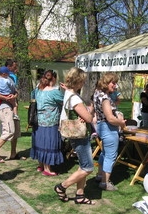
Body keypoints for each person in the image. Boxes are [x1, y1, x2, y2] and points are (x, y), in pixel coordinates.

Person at [54, 67, 95, 205]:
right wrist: (89, 112)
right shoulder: (75, 98)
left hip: (75, 134)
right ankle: (62, 186)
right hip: (80, 136)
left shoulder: (68, 93)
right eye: (82, 81)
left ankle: (80, 195)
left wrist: (83, 114)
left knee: (82, 166)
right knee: (88, 168)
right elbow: (89, 118)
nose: (83, 83)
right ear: (78, 81)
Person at [93, 73, 126, 191]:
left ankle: (100, 175)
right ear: (106, 82)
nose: (115, 85)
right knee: (110, 156)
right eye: (113, 82)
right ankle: (105, 183)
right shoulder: (105, 98)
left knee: (104, 153)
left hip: (102, 127)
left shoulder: (97, 93)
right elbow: (110, 118)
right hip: (108, 128)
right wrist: (121, 123)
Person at [30, 70, 64, 176]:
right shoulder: (54, 92)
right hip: (50, 122)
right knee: (49, 144)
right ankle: (47, 169)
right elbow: (65, 101)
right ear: (53, 79)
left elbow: (32, 98)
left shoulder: (37, 90)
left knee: (40, 143)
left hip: (38, 121)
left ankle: (41, 165)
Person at [0, 62, 24, 163]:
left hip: (13, 106)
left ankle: (13, 153)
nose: (15, 68)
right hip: (5, 107)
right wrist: (5, 98)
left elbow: (16, 91)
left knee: (16, 132)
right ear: (7, 68)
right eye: (13, 66)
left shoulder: (11, 78)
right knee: (9, 131)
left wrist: (14, 96)